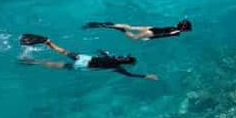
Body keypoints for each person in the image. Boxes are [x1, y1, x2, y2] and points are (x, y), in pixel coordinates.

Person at [18, 34, 158, 80]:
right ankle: (32, 61)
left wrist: (102, 51)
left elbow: (103, 54)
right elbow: (129, 75)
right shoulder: (118, 67)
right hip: (85, 65)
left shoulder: (115, 58)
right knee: (58, 65)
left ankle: (48, 42)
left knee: (65, 51)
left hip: (85, 58)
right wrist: (146, 76)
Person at [82, 19, 192, 40]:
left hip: (152, 27)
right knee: (133, 38)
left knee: (130, 27)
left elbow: (166, 31)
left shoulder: (174, 27)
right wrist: (150, 38)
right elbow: (164, 35)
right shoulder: (177, 32)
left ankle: (112, 24)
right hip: (151, 32)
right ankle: (119, 29)